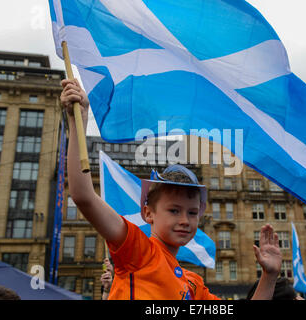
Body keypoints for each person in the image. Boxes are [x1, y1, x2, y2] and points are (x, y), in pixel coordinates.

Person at [60, 79, 282, 300]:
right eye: (174, 210)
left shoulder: (193, 284)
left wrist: (269, 276)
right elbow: (84, 197)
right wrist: (76, 119)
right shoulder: (137, 250)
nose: (185, 220)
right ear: (148, 213)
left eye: (192, 212)